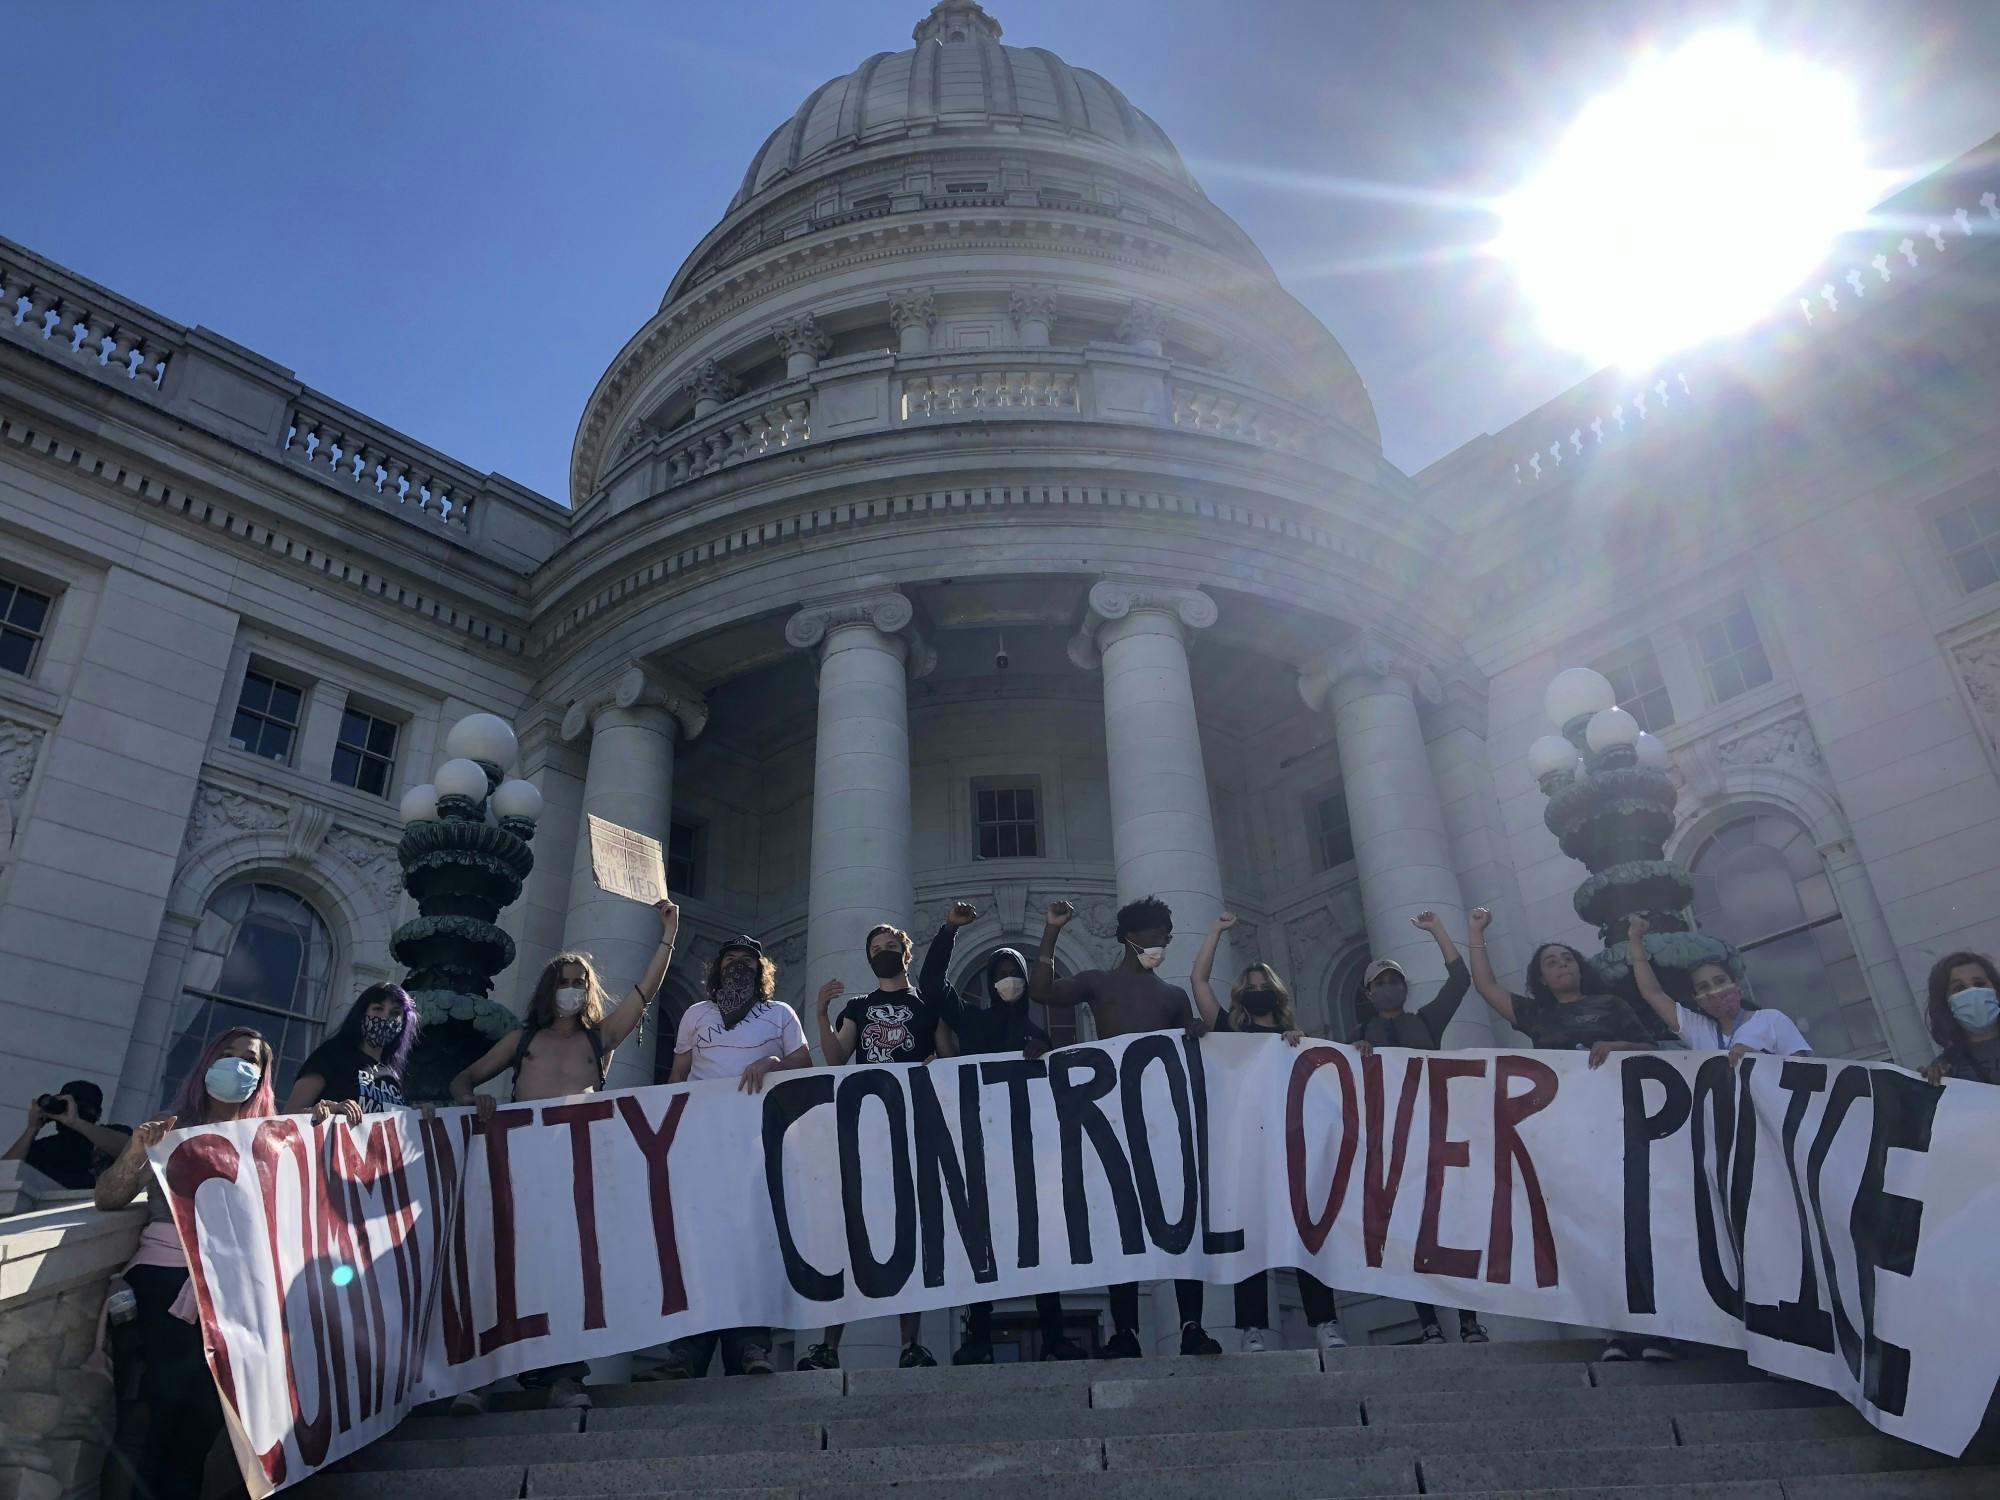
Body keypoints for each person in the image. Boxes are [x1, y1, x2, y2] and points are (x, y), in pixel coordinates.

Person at [447, 897, 680, 1413]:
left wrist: (668, 936)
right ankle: (481, 1378)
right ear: (549, 989)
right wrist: (471, 1099)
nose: (572, 989)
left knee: (570, 1272)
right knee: (506, 1267)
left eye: (580, 981)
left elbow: (646, 992)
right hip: (517, 1172)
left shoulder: (601, 1040)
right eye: (564, 980)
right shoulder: (521, 1038)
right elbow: (465, 1078)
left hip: (577, 1173)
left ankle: (566, 1379)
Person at [1464, 907, 1669, 1361]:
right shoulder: (1537, 1015)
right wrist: (1476, 934)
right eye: (1552, 962)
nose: (1562, 965)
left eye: (1568, 958)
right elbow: (1487, 988)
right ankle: (1615, 1331)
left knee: (1636, 1224)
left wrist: (1615, 1046)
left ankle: (1657, 1329)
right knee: (1593, 1229)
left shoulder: (1612, 1007)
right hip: (1570, 1138)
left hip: (1622, 1127)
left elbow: (1653, 1050)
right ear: (1542, 977)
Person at [1030, 895, 1223, 1359]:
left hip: (1162, 1122)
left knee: (1179, 1221)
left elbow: (1196, 1059)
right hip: (1112, 1120)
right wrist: (1052, 930)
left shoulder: (1173, 997)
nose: (1164, 944)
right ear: (1132, 937)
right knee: (1120, 1224)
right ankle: (1126, 1332)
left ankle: (1191, 1326)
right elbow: (1042, 991)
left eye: (1168, 937)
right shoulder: (1100, 984)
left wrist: (1196, 1031)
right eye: (1159, 935)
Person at [95, 1028, 276, 1500]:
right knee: (148, 1417)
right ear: (208, 1062)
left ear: (262, 1076)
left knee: (199, 1429)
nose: (238, 1064)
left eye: (250, 1059)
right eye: (228, 1054)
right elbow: (109, 1198)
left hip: (231, 1297)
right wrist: (137, 1150)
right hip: (162, 1283)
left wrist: (333, 1120)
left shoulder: (271, 1142)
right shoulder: (168, 1127)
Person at [921, 900, 1085, 1364]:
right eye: (1001, 972)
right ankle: (978, 1337)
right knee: (982, 1242)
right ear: (991, 982)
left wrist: (1045, 1054)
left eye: (1015, 971)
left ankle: (1053, 1337)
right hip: (982, 1146)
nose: (1008, 979)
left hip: (1033, 1153)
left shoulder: (1038, 1032)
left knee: (1042, 1242)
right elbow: (933, 986)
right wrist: (949, 931)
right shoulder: (971, 1020)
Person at [1190, 914, 1356, 1352]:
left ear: (1275, 992)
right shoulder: (1230, 1031)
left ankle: (1325, 1323)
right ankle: (1252, 1329)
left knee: (1305, 1233)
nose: (1257, 989)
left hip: (1291, 1149)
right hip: (1247, 1151)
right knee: (1252, 1238)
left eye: (1264, 983)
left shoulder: (1294, 1039)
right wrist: (1215, 932)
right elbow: (1199, 982)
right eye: (1251, 983)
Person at [797, 922, 957, 1371]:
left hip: (911, 1129)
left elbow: (950, 1057)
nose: (883, 952)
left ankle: (911, 1345)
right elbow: (835, 1058)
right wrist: (823, 1015)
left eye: (891, 946)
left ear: (906, 954)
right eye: (875, 948)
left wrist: (937, 1063)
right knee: (850, 1233)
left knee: (911, 1230)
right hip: (864, 1129)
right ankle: (828, 1347)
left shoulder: (927, 1006)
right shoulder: (860, 1006)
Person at [650, 935, 809, 1380]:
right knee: (697, 1245)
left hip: (755, 1146)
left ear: (762, 972)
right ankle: (687, 1352)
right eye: (731, 960)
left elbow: (805, 1062)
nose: (739, 967)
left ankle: (750, 1346)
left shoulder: (779, 1014)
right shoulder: (695, 1015)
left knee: (750, 1241)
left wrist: (773, 1062)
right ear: (717, 969)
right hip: (701, 1146)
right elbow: (677, 1076)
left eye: (748, 962)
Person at [1344, 912, 1490, 1348]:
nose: (1389, 986)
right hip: (1390, 1144)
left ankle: (1469, 1320)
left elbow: (1459, 981)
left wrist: (1436, 931)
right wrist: (1355, 1053)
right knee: (1404, 1233)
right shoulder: (1359, 1033)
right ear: (1368, 993)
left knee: (1452, 1229)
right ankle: (1427, 1322)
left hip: (1436, 1135)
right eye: (1380, 982)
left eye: (1395, 980)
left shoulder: (1426, 1021)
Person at [1625, 915, 1809, 1063]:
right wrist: (1635, 940)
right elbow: (1653, 993)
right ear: (1696, 998)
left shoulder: (1771, 1020)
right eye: (1704, 987)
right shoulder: (1700, 1031)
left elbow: (1803, 1073)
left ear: (1736, 984)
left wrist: (1756, 1059)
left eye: (1720, 981)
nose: (1714, 991)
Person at [284, 982, 421, 1123]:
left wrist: (421, 1117)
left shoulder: (393, 1077)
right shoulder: (332, 1054)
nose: (385, 1017)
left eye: (395, 1013)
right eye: (378, 1008)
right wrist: (332, 1110)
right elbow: (288, 1116)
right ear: (361, 1014)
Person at [5, 1079, 130, 1189]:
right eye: (68, 1106)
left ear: (98, 1114)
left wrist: (77, 1123)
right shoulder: (44, 1147)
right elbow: (5, 1173)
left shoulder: (111, 1135)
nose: (74, 1111)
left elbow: (133, 1151)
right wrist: (32, 1129)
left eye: (82, 1107)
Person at [1923, 951, 2000, 1084]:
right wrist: (1930, 1085)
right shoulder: (1946, 1069)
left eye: (1980, 984)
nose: (1972, 992)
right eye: (1959, 988)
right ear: (1946, 1003)